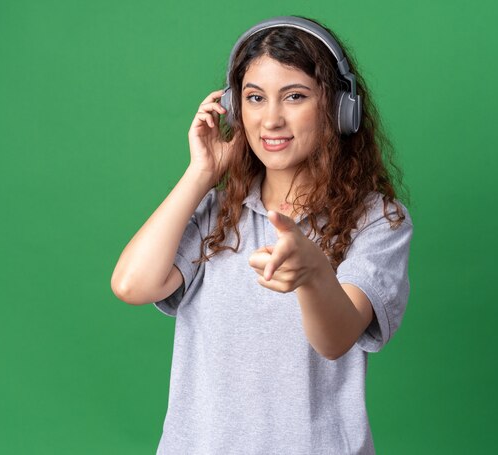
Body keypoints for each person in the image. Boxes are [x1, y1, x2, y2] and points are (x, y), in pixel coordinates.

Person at [111, 15, 413, 455]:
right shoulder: (214, 214)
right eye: (254, 98)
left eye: (294, 96)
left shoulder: (378, 220)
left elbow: (336, 339)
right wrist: (201, 174)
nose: (271, 119)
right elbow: (131, 284)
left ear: (340, 109)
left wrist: (313, 276)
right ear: (235, 110)